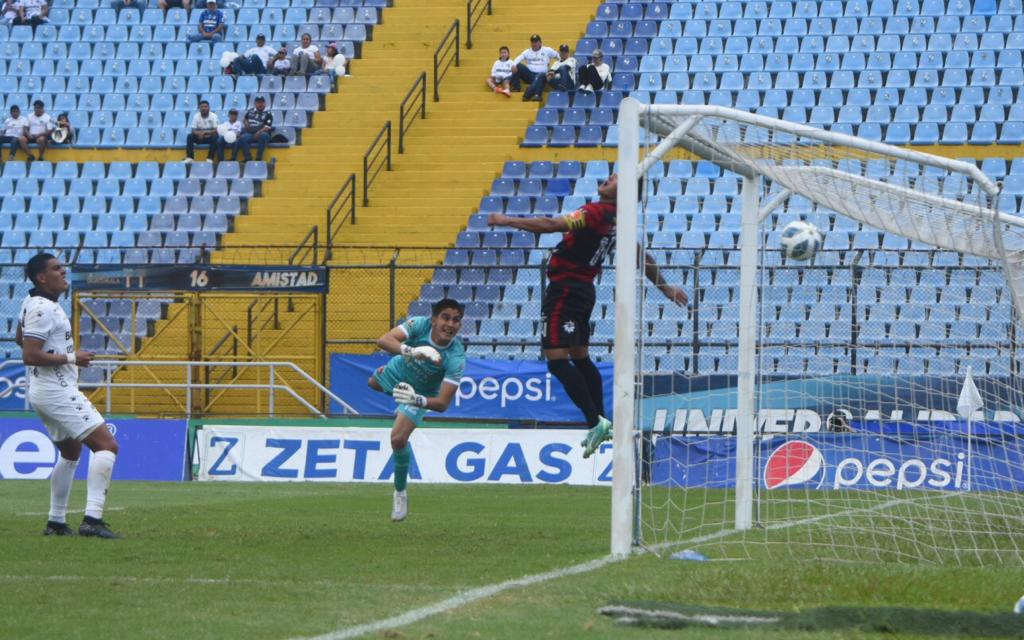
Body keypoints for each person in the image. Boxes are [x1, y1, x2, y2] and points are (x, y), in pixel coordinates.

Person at [488, 175, 688, 458]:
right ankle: (601, 420)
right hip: (584, 291)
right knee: (580, 358)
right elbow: (643, 257)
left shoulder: (595, 212)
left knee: (557, 361)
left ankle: (594, 421)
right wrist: (666, 288)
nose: (608, 178)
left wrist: (507, 220)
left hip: (565, 292)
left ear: (626, 191)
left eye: (617, 178)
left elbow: (551, 225)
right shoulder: (619, 220)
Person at [16, 253, 120, 539]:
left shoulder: (33, 303)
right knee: (107, 445)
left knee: (71, 452)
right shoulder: (43, 309)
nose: (63, 272)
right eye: (56, 268)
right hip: (55, 389)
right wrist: (72, 357)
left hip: (43, 390)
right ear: (41, 277)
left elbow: (20, 338)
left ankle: (56, 522)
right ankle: (93, 520)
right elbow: (29, 354)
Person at [367, 299, 466, 522]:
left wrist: (416, 399)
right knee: (371, 383)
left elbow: (441, 404)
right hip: (396, 371)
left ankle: (400, 493)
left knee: (398, 439)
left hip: (418, 392)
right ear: (433, 319)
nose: (450, 324)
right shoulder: (419, 325)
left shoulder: (456, 357)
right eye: (445, 317)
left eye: (456, 320)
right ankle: (389, 384)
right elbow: (383, 340)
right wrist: (412, 352)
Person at [512, 34, 558, 101]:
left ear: (540, 42)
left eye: (536, 42)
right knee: (517, 65)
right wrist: (513, 65)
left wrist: (555, 67)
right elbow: (519, 58)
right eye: (533, 42)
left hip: (542, 76)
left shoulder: (547, 50)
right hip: (530, 75)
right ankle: (516, 88)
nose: (534, 44)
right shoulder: (527, 51)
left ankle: (532, 94)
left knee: (541, 75)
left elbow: (558, 56)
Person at [236, 95, 272, 161]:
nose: (260, 104)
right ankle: (248, 158)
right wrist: (246, 123)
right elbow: (245, 118)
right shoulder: (250, 111)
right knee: (242, 138)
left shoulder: (268, 113)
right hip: (251, 133)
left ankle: (259, 158)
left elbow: (267, 127)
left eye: (262, 102)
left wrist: (258, 133)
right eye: (258, 103)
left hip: (261, 133)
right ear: (255, 103)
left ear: (264, 103)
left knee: (263, 136)